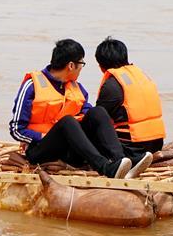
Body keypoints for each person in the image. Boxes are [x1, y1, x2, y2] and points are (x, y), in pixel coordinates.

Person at [9, 39, 151, 179]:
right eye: (81, 63)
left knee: (98, 112)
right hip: (40, 151)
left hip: (70, 151)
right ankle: (105, 168)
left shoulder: (77, 88)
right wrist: (41, 137)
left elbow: (87, 113)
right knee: (68, 122)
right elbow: (16, 129)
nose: (82, 68)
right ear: (71, 65)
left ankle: (121, 160)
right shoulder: (32, 86)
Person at [94, 37, 165, 162]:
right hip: (156, 144)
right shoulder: (142, 76)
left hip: (132, 149)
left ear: (101, 66)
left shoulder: (112, 84)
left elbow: (98, 119)